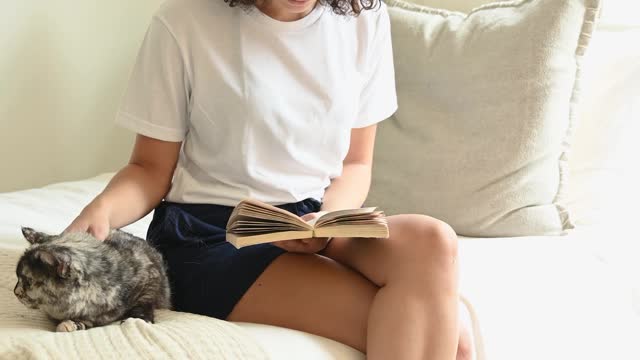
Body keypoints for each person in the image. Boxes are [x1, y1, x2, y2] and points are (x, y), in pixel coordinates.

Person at [66, 0, 473, 358]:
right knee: (450, 334)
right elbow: (150, 169)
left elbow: (356, 163)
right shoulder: (184, 21)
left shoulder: (364, 17)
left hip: (313, 220)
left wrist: (330, 219)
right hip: (215, 236)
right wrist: (101, 210)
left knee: (432, 240)